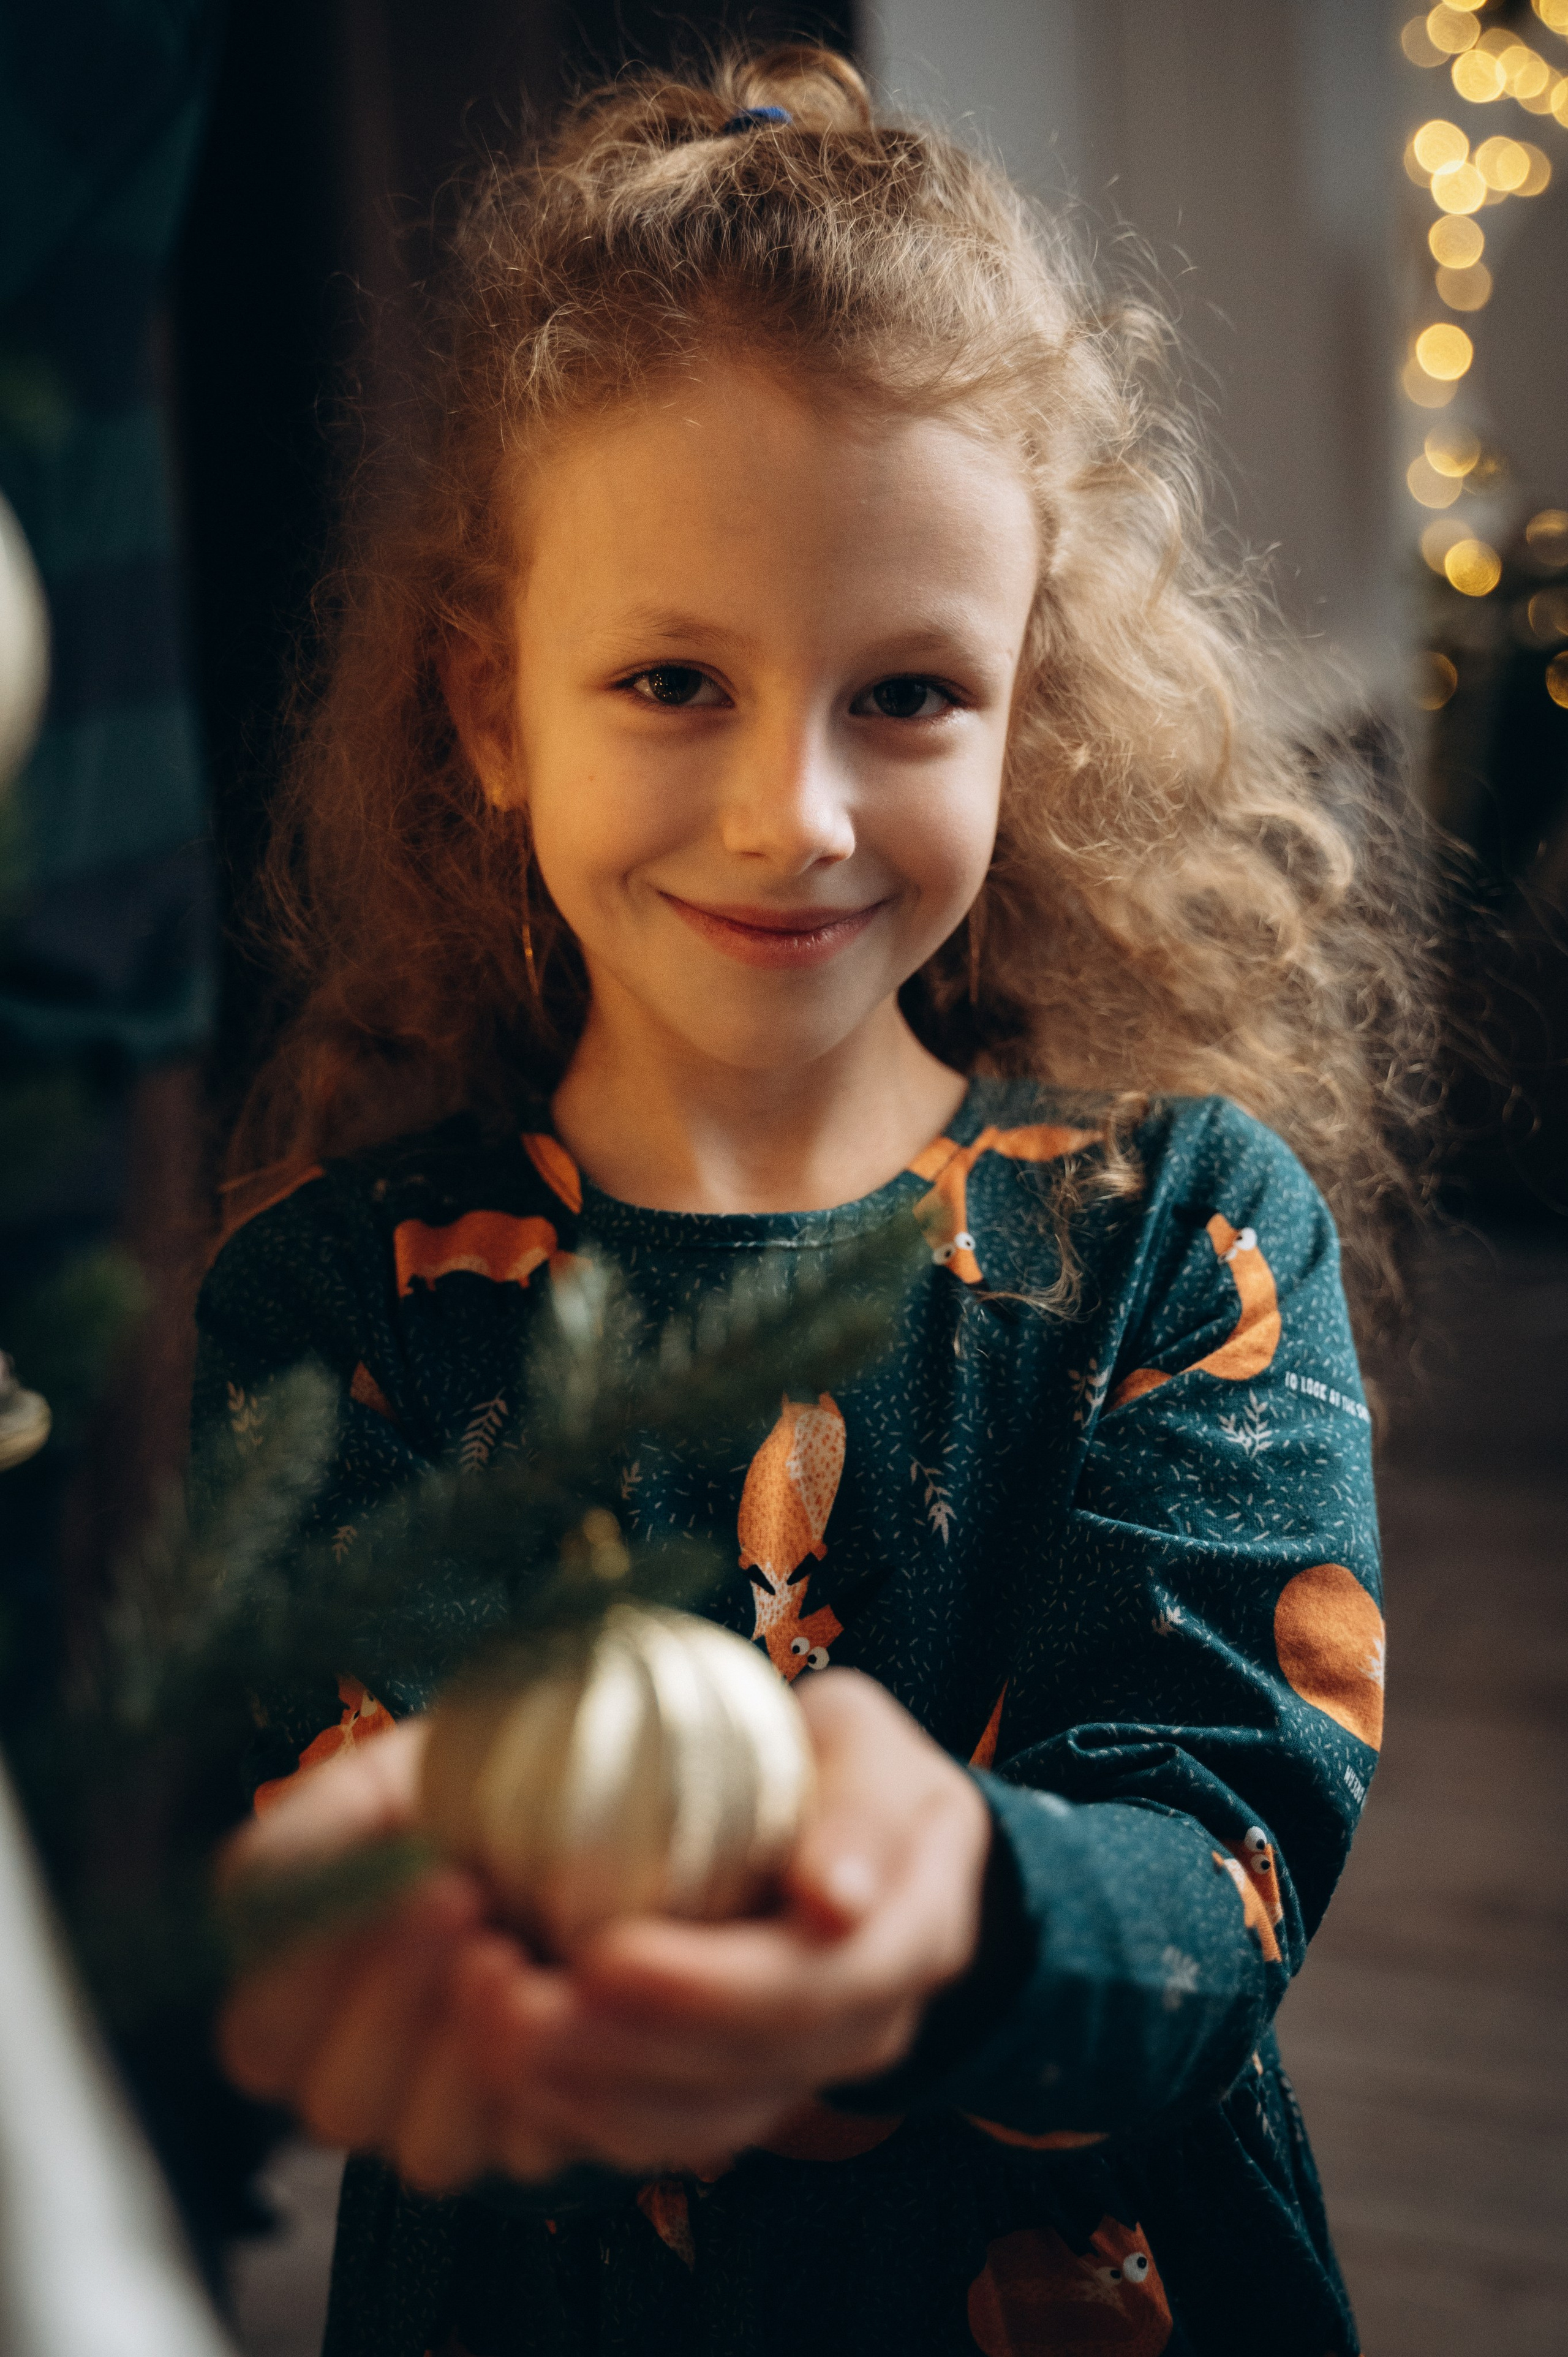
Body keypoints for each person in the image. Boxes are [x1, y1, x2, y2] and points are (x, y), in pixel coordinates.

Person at [204, 47, 1427, 2357]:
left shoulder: (1185, 1236)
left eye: (905, 695)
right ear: (492, 712)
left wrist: (957, 1893)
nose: (794, 815)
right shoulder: (335, 1300)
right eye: (672, 679)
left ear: (1022, 709)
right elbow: (310, 1810)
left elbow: (1223, 1851)